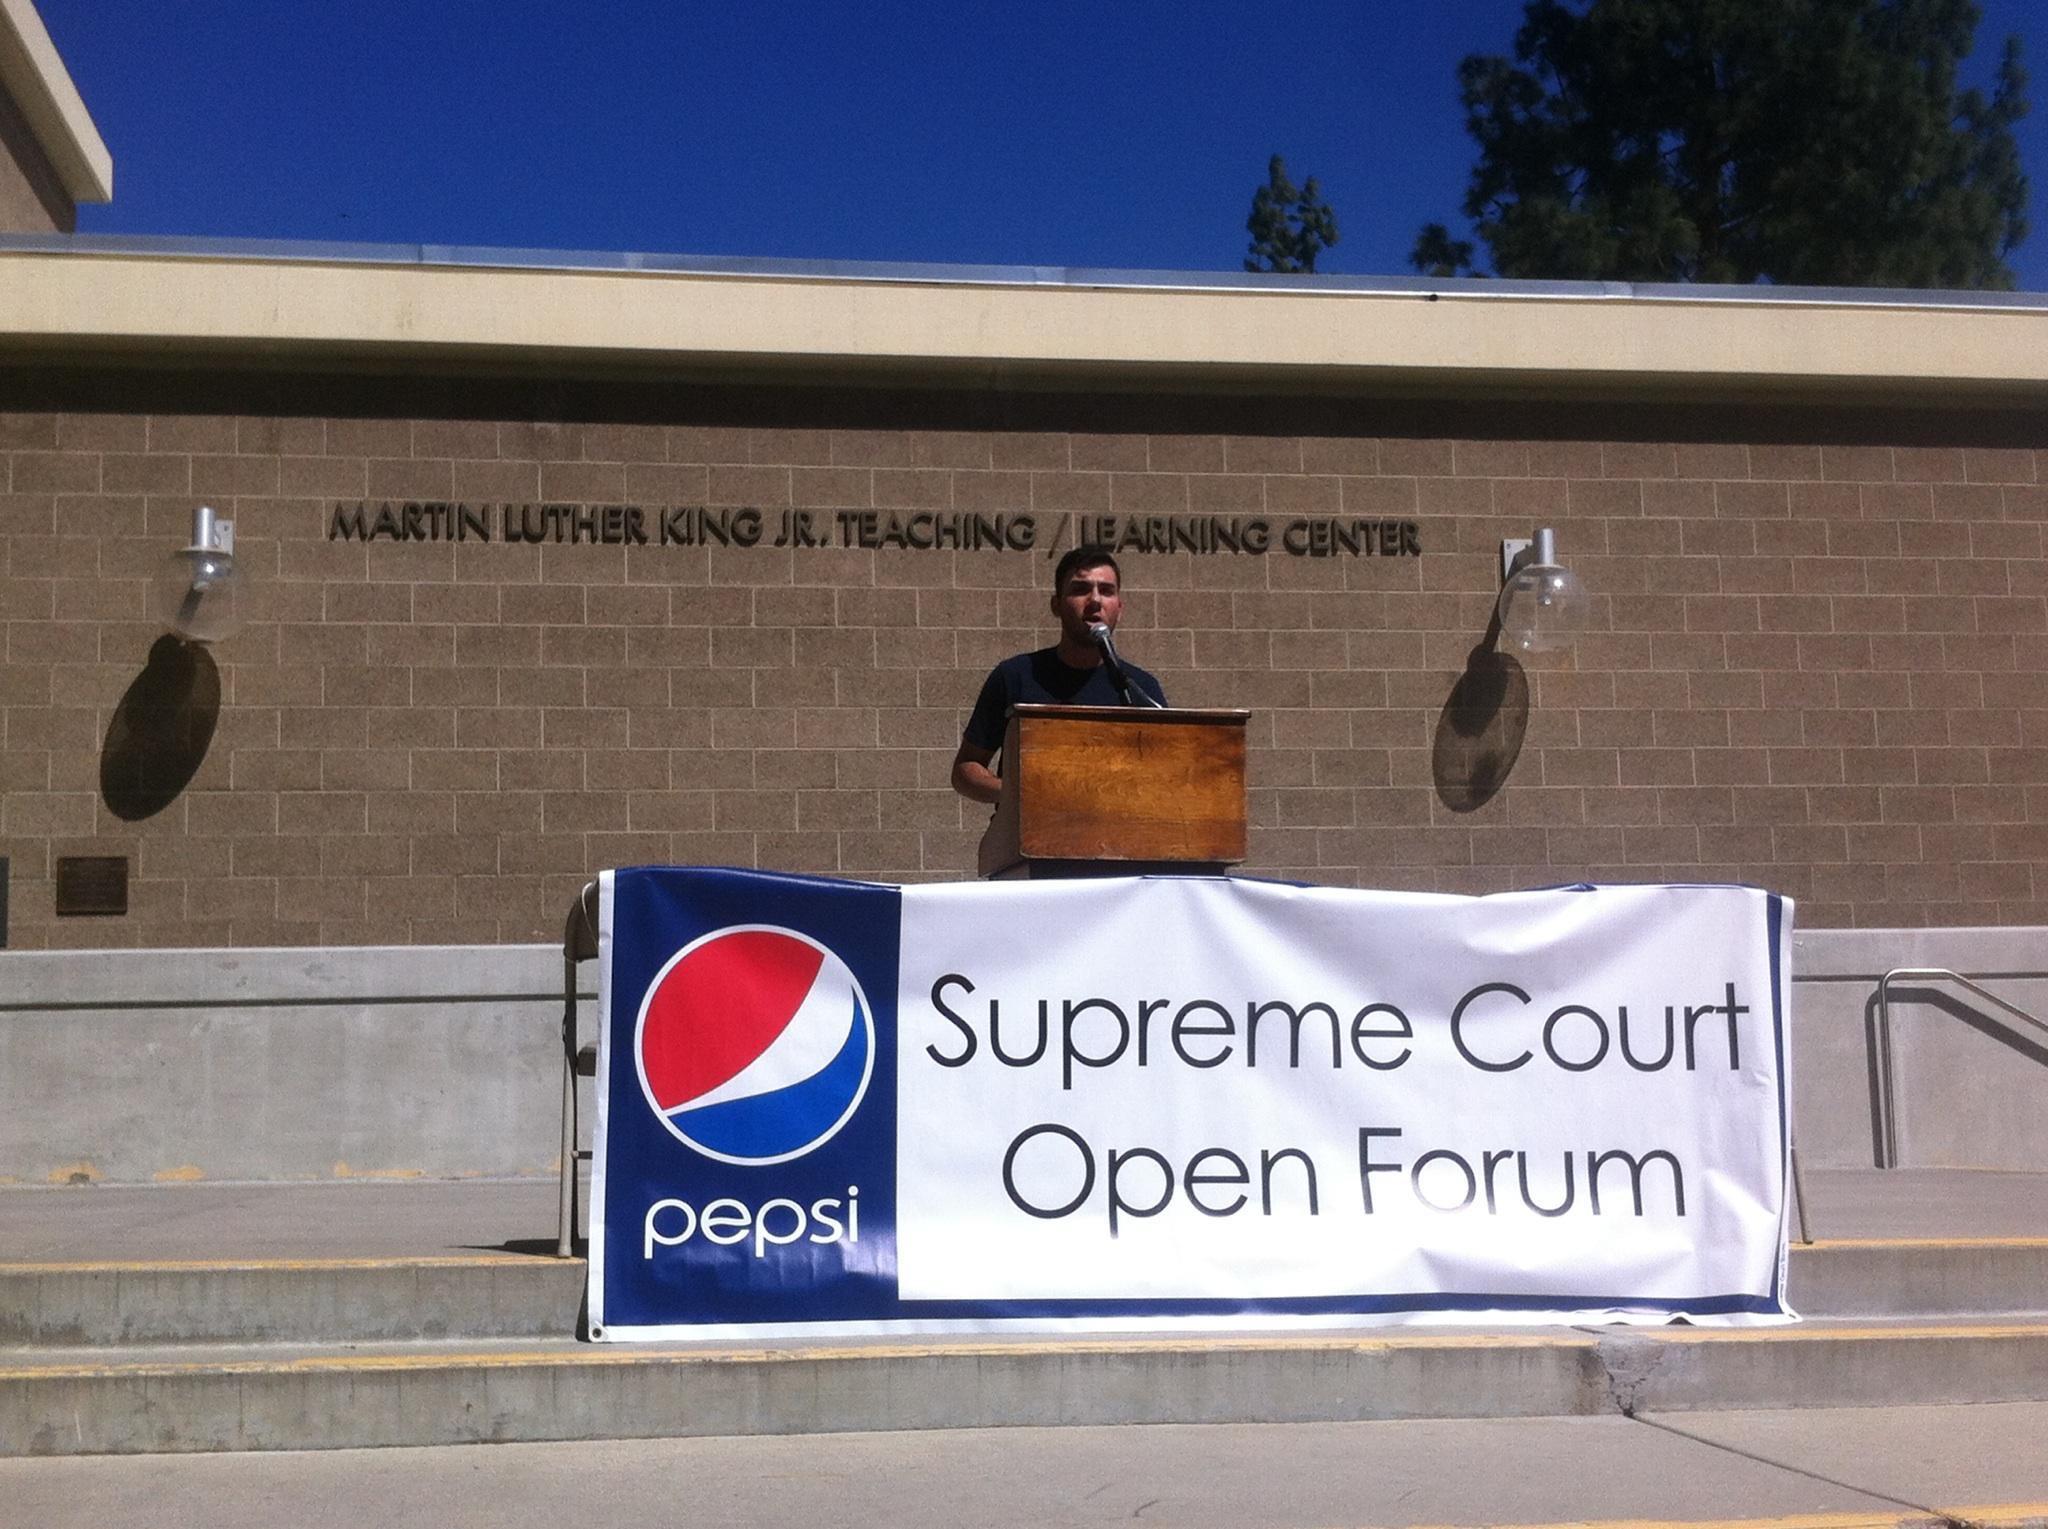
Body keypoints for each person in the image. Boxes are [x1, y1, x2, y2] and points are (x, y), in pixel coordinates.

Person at [950, 545, 1168, 804]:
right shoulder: (1015, 675)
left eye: (1106, 591)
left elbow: (1165, 775)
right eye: (1080, 589)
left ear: (1119, 607)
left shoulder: (1140, 689)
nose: (1095, 600)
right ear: (1056, 605)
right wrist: (1019, 796)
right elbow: (966, 768)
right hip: (1024, 837)